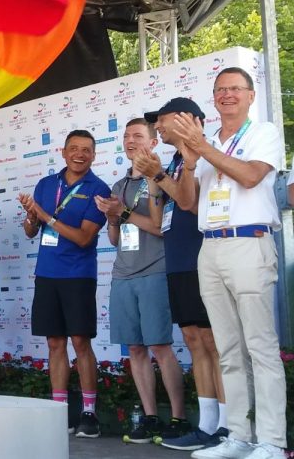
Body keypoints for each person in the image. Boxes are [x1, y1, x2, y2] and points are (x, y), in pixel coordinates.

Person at [170, 67, 287, 459]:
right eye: (220, 89)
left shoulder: (263, 133)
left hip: (249, 242)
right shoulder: (206, 143)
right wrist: (189, 163)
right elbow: (188, 203)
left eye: (235, 88)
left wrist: (201, 147)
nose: (227, 95)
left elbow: (251, 176)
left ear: (251, 95)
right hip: (211, 247)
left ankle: (271, 441)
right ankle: (237, 435)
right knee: (227, 348)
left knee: (260, 347)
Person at [136, 97, 228, 452]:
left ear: (187, 119)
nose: (158, 126)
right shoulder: (175, 160)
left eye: (162, 119)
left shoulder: (207, 151)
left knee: (213, 342)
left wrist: (159, 175)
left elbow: (191, 202)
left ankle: (227, 425)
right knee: (193, 339)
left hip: (202, 256)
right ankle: (207, 425)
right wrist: (154, 178)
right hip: (177, 260)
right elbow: (160, 220)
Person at [94, 118, 188, 444]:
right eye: (126, 136)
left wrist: (123, 213)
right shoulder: (118, 185)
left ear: (153, 142)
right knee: (135, 348)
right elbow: (114, 237)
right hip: (122, 273)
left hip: (154, 269)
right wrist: (111, 218)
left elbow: (160, 228)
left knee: (160, 345)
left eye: (138, 136)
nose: (130, 141)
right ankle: (149, 417)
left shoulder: (160, 179)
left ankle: (178, 417)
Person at [19, 130, 111, 438]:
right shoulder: (46, 184)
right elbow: (31, 231)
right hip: (47, 274)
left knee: (81, 343)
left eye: (86, 150)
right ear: (63, 151)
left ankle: (89, 413)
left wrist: (45, 216)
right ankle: (59, 410)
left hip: (78, 275)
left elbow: (84, 238)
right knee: (54, 343)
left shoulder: (99, 189)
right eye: (74, 148)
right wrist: (31, 217)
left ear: (94, 155)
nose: (79, 154)